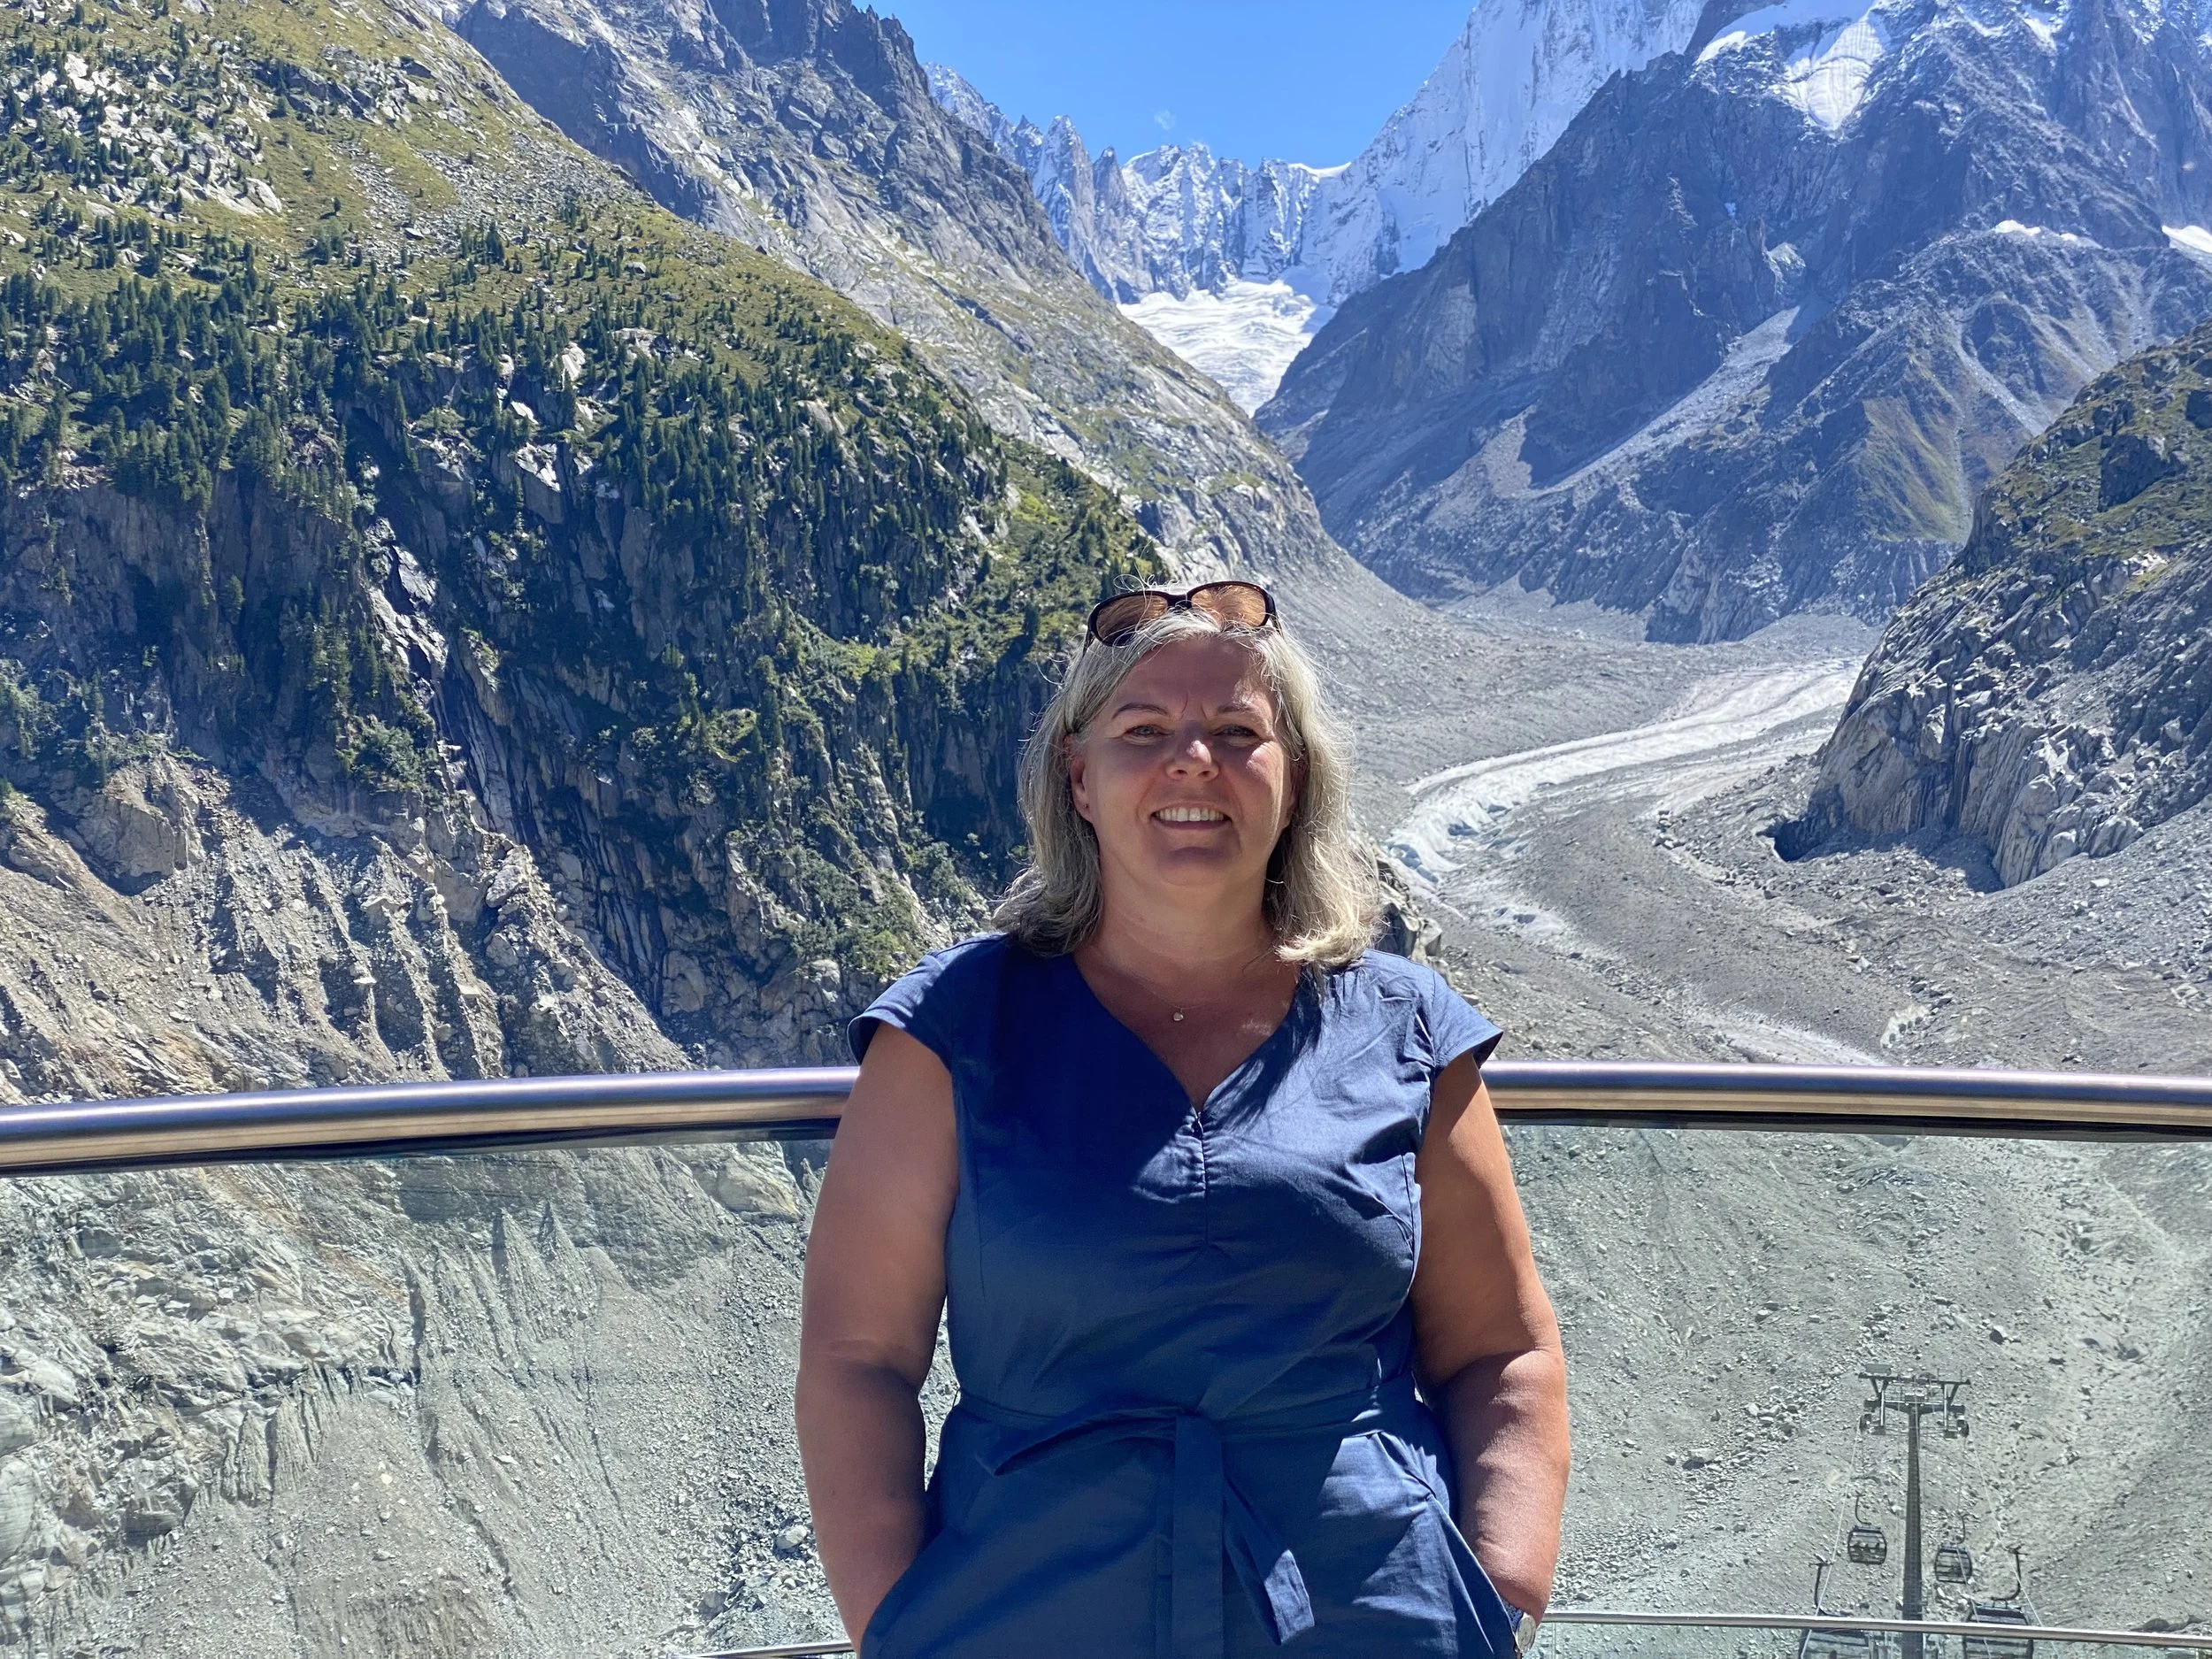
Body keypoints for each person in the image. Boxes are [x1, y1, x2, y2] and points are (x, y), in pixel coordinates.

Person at [795, 580, 1569, 1658]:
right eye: (1143, 730)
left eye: (1238, 732)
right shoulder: (953, 1032)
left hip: (1369, 1613)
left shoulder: (1405, 1029)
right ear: (1078, 777)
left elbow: (1502, 1348)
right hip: (1025, 1616)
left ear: (1292, 780)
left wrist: (1500, 1597)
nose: (1192, 761)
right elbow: (857, 1357)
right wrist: (900, 1622)